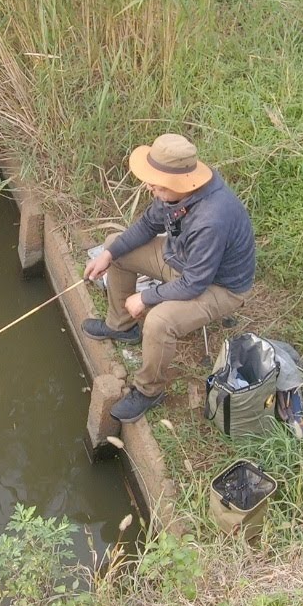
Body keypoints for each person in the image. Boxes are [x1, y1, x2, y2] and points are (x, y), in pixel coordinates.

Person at [81, 133, 256, 423]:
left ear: (179, 183)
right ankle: (121, 327)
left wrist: (145, 297)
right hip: (183, 259)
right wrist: (109, 255)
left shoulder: (211, 219)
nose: (151, 187)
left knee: (159, 322)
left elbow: (194, 283)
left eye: (157, 184)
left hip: (218, 286)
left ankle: (149, 390)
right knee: (116, 243)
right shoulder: (176, 192)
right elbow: (149, 224)